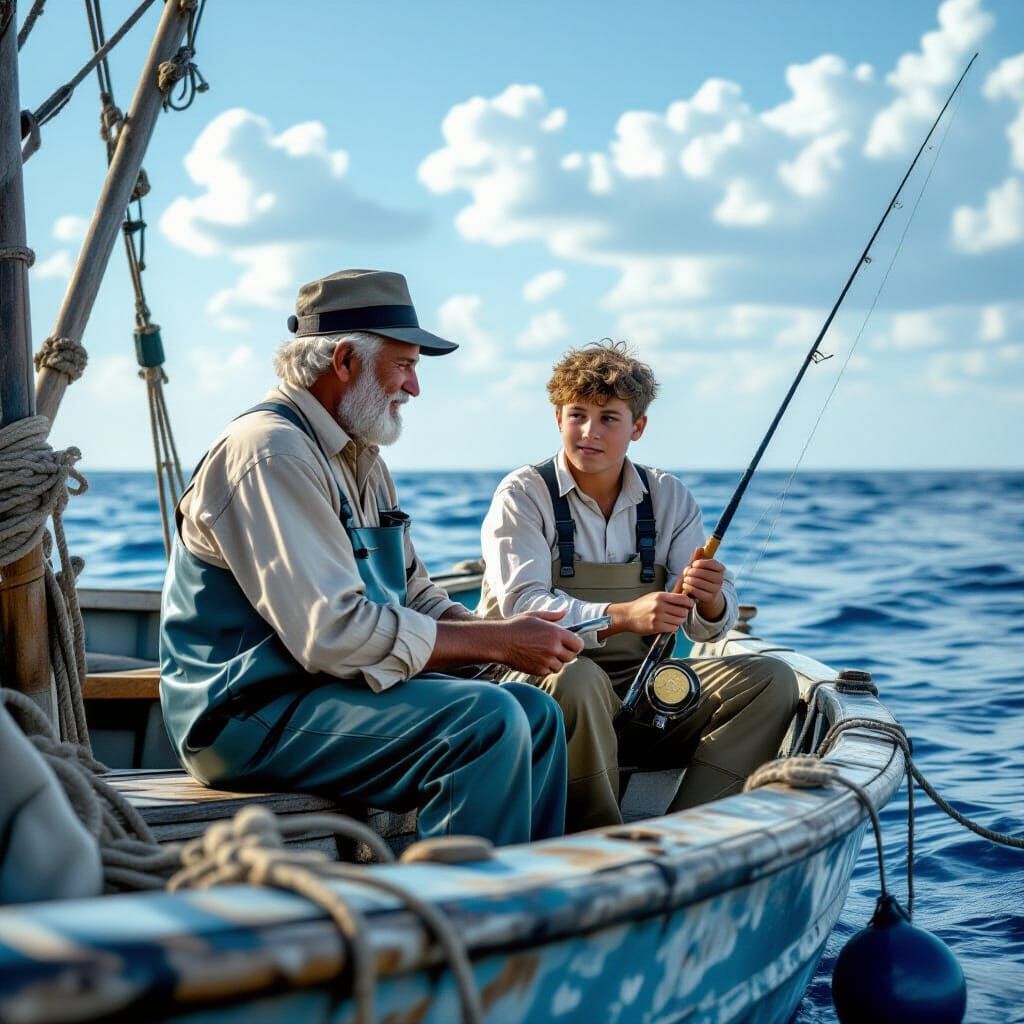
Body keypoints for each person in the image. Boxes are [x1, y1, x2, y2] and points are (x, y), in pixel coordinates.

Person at [160, 269, 581, 846]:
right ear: (343, 361)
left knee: (534, 712)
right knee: (484, 723)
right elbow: (332, 633)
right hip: (247, 717)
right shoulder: (271, 452)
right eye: (405, 365)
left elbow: (416, 595)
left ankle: (533, 900)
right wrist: (496, 643)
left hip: (328, 694)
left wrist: (503, 635)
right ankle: (468, 918)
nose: (414, 388)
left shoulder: (360, 457)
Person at [479, 341, 799, 833]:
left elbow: (708, 627)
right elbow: (524, 607)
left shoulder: (669, 495)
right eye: (576, 414)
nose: (588, 432)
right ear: (557, 418)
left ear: (638, 427)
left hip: (644, 694)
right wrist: (623, 616)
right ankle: (600, 844)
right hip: (540, 687)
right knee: (578, 678)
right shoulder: (523, 494)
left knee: (772, 680)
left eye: (609, 417)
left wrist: (710, 600)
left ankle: (692, 837)